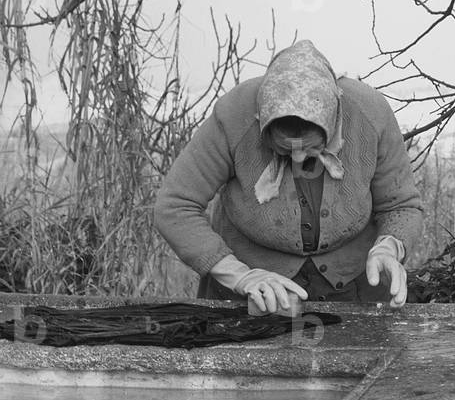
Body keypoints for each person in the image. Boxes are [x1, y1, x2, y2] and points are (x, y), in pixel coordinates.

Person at [154, 40, 423, 312]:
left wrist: (389, 247)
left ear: (334, 121)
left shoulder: (370, 113)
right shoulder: (233, 116)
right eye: (283, 149)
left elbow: (401, 205)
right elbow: (175, 206)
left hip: (355, 288)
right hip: (251, 293)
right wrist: (240, 276)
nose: (296, 159)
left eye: (310, 149)